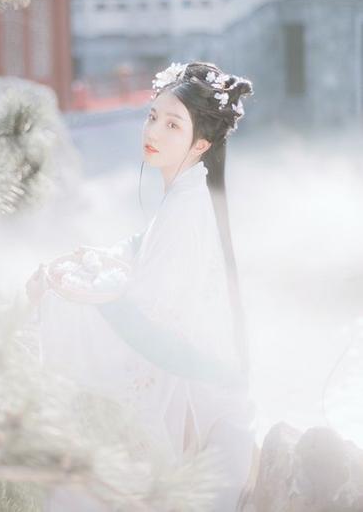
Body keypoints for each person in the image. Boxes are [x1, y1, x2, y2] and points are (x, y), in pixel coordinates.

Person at [26, 60, 258, 511]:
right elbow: (140, 248)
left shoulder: (188, 209)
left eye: (174, 125)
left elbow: (149, 324)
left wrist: (68, 295)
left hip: (195, 396)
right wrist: (91, 261)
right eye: (153, 116)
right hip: (204, 383)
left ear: (201, 143)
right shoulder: (186, 194)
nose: (154, 132)